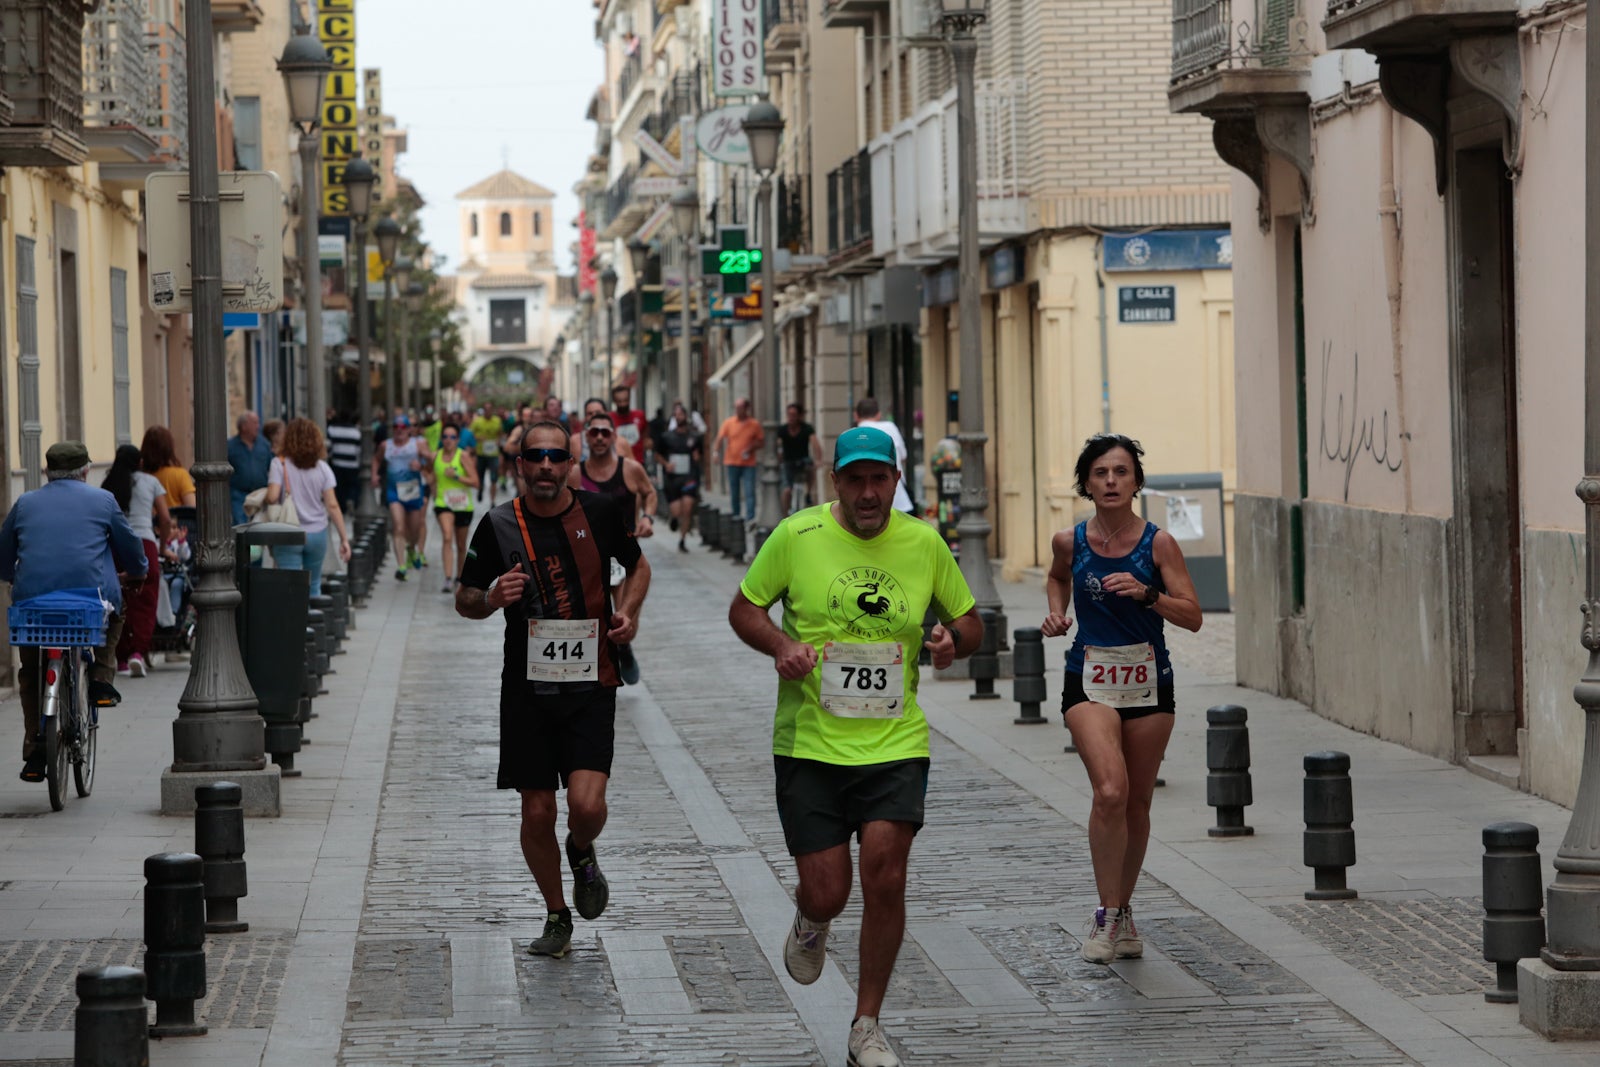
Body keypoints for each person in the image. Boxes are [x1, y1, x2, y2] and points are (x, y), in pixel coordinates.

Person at [728, 426, 982, 1067]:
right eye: (855, 479)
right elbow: (745, 609)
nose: (869, 492)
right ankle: (812, 922)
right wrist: (782, 646)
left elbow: (970, 623)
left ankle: (866, 1023)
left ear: (896, 481)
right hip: (810, 742)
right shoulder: (797, 536)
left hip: (895, 740)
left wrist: (954, 642)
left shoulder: (924, 542)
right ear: (835, 482)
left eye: (880, 479)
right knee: (828, 890)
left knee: (886, 875)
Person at [454, 420, 652, 960]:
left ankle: (581, 847)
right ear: (519, 464)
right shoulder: (496, 525)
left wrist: (627, 614)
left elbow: (639, 569)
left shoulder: (601, 513)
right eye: (534, 456)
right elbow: (464, 598)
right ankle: (556, 913)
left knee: (586, 805)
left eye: (555, 457)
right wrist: (492, 597)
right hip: (526, 690)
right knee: (536, 810)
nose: (545, 466)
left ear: (570, 463)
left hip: (592, 682)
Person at [1040, 433, 1202, 964]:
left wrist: (1150, 595)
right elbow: (1057, 577)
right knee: (1110, 790)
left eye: (1121, 472)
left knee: (1137, 801)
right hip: (1087, 676)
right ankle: (1106, 917)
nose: (1111, 481)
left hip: (1149, 678)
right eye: (1101, 473)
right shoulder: (1070, 540)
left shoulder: (1159, 544)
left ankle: (1125, 909)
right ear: (1085, 483)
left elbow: (1193, 616)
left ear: (1136, 482)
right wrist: (1057, 612)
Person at [0, 442, 147, 782]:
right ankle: (100, 680)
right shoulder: (102, 501)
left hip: (33, 606)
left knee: (31, 671)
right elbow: (130, 546)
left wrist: (12, 577)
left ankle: (37, 747)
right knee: (117, 611)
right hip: (89, 603)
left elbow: (4, 555)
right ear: (85, 472)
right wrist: (137, 572)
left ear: (46, 473)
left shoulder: (24, 503)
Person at [570, 411, 655, 685]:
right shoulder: (575, 474)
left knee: (625, 619)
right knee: (593, 614)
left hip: (626, 556)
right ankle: (600, 665)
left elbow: (650, 492)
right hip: (587, 557)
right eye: (593, 432)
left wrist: (647, 517)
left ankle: (624, 646)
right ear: (586, 436)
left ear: (614, 437)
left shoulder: (630, 469)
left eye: (604, 432)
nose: (599, 437)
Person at [103, 444, 172, 678]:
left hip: (116, 547)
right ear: (139, 462)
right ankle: (137, 654)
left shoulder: (108, 483)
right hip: (145, 544)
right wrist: (163, 547)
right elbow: (164, 517)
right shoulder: (150, 482)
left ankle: (121, 658)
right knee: (146, 599)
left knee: (118, 600)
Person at [265, 419, 352, 597]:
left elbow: (273, 497)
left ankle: (293, 624)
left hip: (288, 533)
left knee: (289, 587)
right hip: (317, 533)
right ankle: (311, 622)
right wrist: (344, 539)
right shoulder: (323, 468)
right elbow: (333, 505)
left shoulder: (279, 464)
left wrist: (264, 495)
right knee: (313, 584)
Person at [374, 414, 432, 580]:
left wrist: (421, 465)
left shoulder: (418, 444)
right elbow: (376, 459)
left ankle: (412, 548)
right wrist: (374, 475)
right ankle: (401, 566)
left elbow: (432, 462)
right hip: (394, 492)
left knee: (414, 529)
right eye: (396, 428)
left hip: (414, 491)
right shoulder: (386, 445)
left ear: (409, 430)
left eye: (403, 428)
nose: (399, 431)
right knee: (398, 527)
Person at [432, 421, 479, 594]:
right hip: (443, 503)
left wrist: (457, 476)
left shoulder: (463, 456)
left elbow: (476, 482)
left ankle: (460, 577)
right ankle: (447, 578)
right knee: (446, 536)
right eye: (445, 437)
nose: (448, 440)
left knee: (461, 545)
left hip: (463, 505)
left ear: (458, 439)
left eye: (452, 437)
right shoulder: (435, 455)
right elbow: (429, 473)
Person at [852, 398, 915, 515]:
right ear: (879, 414)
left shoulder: (852, 435)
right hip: (899, 501)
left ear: (856, 415)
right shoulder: (890, 427)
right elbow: (903, 456)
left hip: (865, 505)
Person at [658, 401, 703, 553]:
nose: (679, 417)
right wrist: (666, 464)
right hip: (672, 479)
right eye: (676, 415)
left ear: (686, 416)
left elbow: (699, 454)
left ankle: (682, 540)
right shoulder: (666, 437)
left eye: (681, 414)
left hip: (689, 477)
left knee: (688, 509)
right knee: (677, 512)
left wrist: (697, 457)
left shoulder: (694, 437)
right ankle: (674, 519)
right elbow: (658, 454)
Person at [712, 396, 764, 523]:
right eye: (736, 407)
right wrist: (715, 453)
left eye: (740, 407)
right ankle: (736, 515)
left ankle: (750, 517)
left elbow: (761, 442)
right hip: (731, 462)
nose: (738, 410)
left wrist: (750, 448)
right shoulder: (729, 423)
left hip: (748, 463)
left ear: (746, 408)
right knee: (734, 491)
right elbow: (719, 438)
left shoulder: (754, 424)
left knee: (749, 490)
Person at [227, 410, 273, 525]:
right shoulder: (230, 447)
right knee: (240, 525)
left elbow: (270, 467)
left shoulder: (264, 445)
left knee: (260, 526)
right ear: (244, 427)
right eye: (255, 423)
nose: (258, 426)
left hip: (260, 495)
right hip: (238, 495)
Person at [778, 403, 822, 514]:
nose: (791, 417)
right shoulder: (783, 430)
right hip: (788, 462)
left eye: (794, 415)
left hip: (803, 460)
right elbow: (778, 445)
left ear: (799, 416)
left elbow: (815, 444)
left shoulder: (806, 428)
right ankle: (785, 515)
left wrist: (818, 460)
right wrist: (778, 456)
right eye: (789, 415)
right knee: (787, 490)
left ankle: (809, 493)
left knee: (810, 468)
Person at [140, 426, 195, 507]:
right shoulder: (180, 475)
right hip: (177, 518)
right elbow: (191, 506)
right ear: (169, 448)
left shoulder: (140, 478)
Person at [326, 409, 364, 517]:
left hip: (337, 463)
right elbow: (359, 450)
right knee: (353, 485)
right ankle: (351, 499)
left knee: (340, 487)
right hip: (352, 464)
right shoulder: (356, 432)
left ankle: (342, 508)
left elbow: (329, 447)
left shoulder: (333, 429)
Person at [470, 406, 505, 505]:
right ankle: (480, 490)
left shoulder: (497, 420)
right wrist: (478, 438)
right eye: (486, 410)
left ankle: (492, 501)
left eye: (490, 410)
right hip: (481, 453)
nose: (488, 412)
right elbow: (470, 434)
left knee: (494, 478)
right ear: (484, 411)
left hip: (493, 454)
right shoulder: (477, 421)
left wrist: (499, 441)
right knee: (480, 476)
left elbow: (501, 433)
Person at [610, 384, 650, 457]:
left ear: (629, 399)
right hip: (618, 461)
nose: (623, 404)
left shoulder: (640, 415)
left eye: (626, 400)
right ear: (614, 401)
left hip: (638, 461)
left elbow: (646, 436)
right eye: (619, 401)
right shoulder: (609, 418)